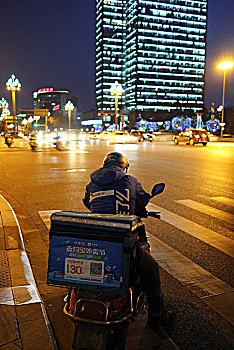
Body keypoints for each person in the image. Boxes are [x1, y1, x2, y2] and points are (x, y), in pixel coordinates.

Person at [83, 152, 176, 331]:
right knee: (151, 268)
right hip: (122, 243)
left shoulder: (91, 184)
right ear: (124, 166)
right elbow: (141, 203)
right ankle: (156, 314)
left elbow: (88, 203)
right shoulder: (130, 181)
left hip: (99, 242)